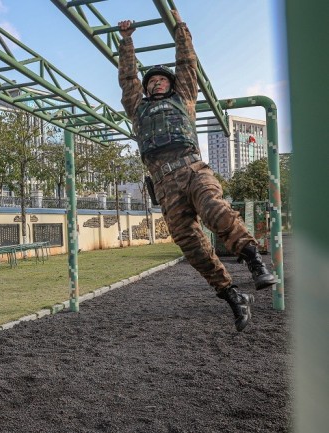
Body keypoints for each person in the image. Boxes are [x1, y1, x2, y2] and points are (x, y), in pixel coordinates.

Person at [117, 10, 276, 332]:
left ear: (171, 84)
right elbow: (127, 78)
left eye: (162, 79)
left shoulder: (185, 98)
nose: (157, 82)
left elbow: (187, 63)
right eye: (152, 81)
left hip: (192, 169)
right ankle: (232, 295)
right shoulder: (138, 107)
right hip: (163, 183)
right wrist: (127, 41)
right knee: (188, 241)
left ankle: (255, 261)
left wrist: (180, 28)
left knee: (214, 210)